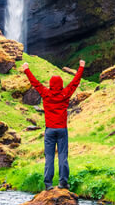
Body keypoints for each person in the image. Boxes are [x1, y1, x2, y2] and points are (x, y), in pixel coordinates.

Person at [22, 59, 85, 190]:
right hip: (62, 130)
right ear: (61, 84)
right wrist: (81, 68)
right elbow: (75, 82)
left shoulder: (46, 93)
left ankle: (48, 184)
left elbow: (35, 83)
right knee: (63, 156)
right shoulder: (65, 93)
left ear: (50, 84)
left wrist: (27, 70)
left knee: (49, 157)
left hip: (50, 130)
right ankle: (63, 182)